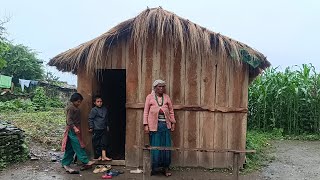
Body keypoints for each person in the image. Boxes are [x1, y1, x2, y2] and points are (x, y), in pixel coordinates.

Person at [143, 79, 176, 177]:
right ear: (155, 88)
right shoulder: (149, 97)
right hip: (154, 126)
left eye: (163, 86)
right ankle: (154, 168)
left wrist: (173, 123)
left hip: (165, 126)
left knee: (166, 147)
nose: (161, 88)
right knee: (155, 147)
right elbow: (146, 111)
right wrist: (146, 125)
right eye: (159, 87)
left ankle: (166, 168)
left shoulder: (166, 97)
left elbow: (171, 111)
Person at [61, 93, 94, 174]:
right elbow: (69, 120)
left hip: (75, 129)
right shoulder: (71, 108)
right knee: (78, 144)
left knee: (70, 148)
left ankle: (65, 163)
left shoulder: (75, 108)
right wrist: (75, 128)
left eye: (80, 102)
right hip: (72, 130)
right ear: (74, 100)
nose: (79, 103)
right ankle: (85, 161)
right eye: (78, 102)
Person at [88, 95, 112, 161]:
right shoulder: (94, 110)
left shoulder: (104, 109)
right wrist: (91, 127)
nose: (99, 103)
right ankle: (99, 156)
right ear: (94, 103)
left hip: (103, 128)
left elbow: (106, 118)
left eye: (101, 101)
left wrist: (107, 126)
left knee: (104, 142)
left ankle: (104, 156)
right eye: (98, 101)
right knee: (97, 143)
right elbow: (90, 119)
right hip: (97, 129)